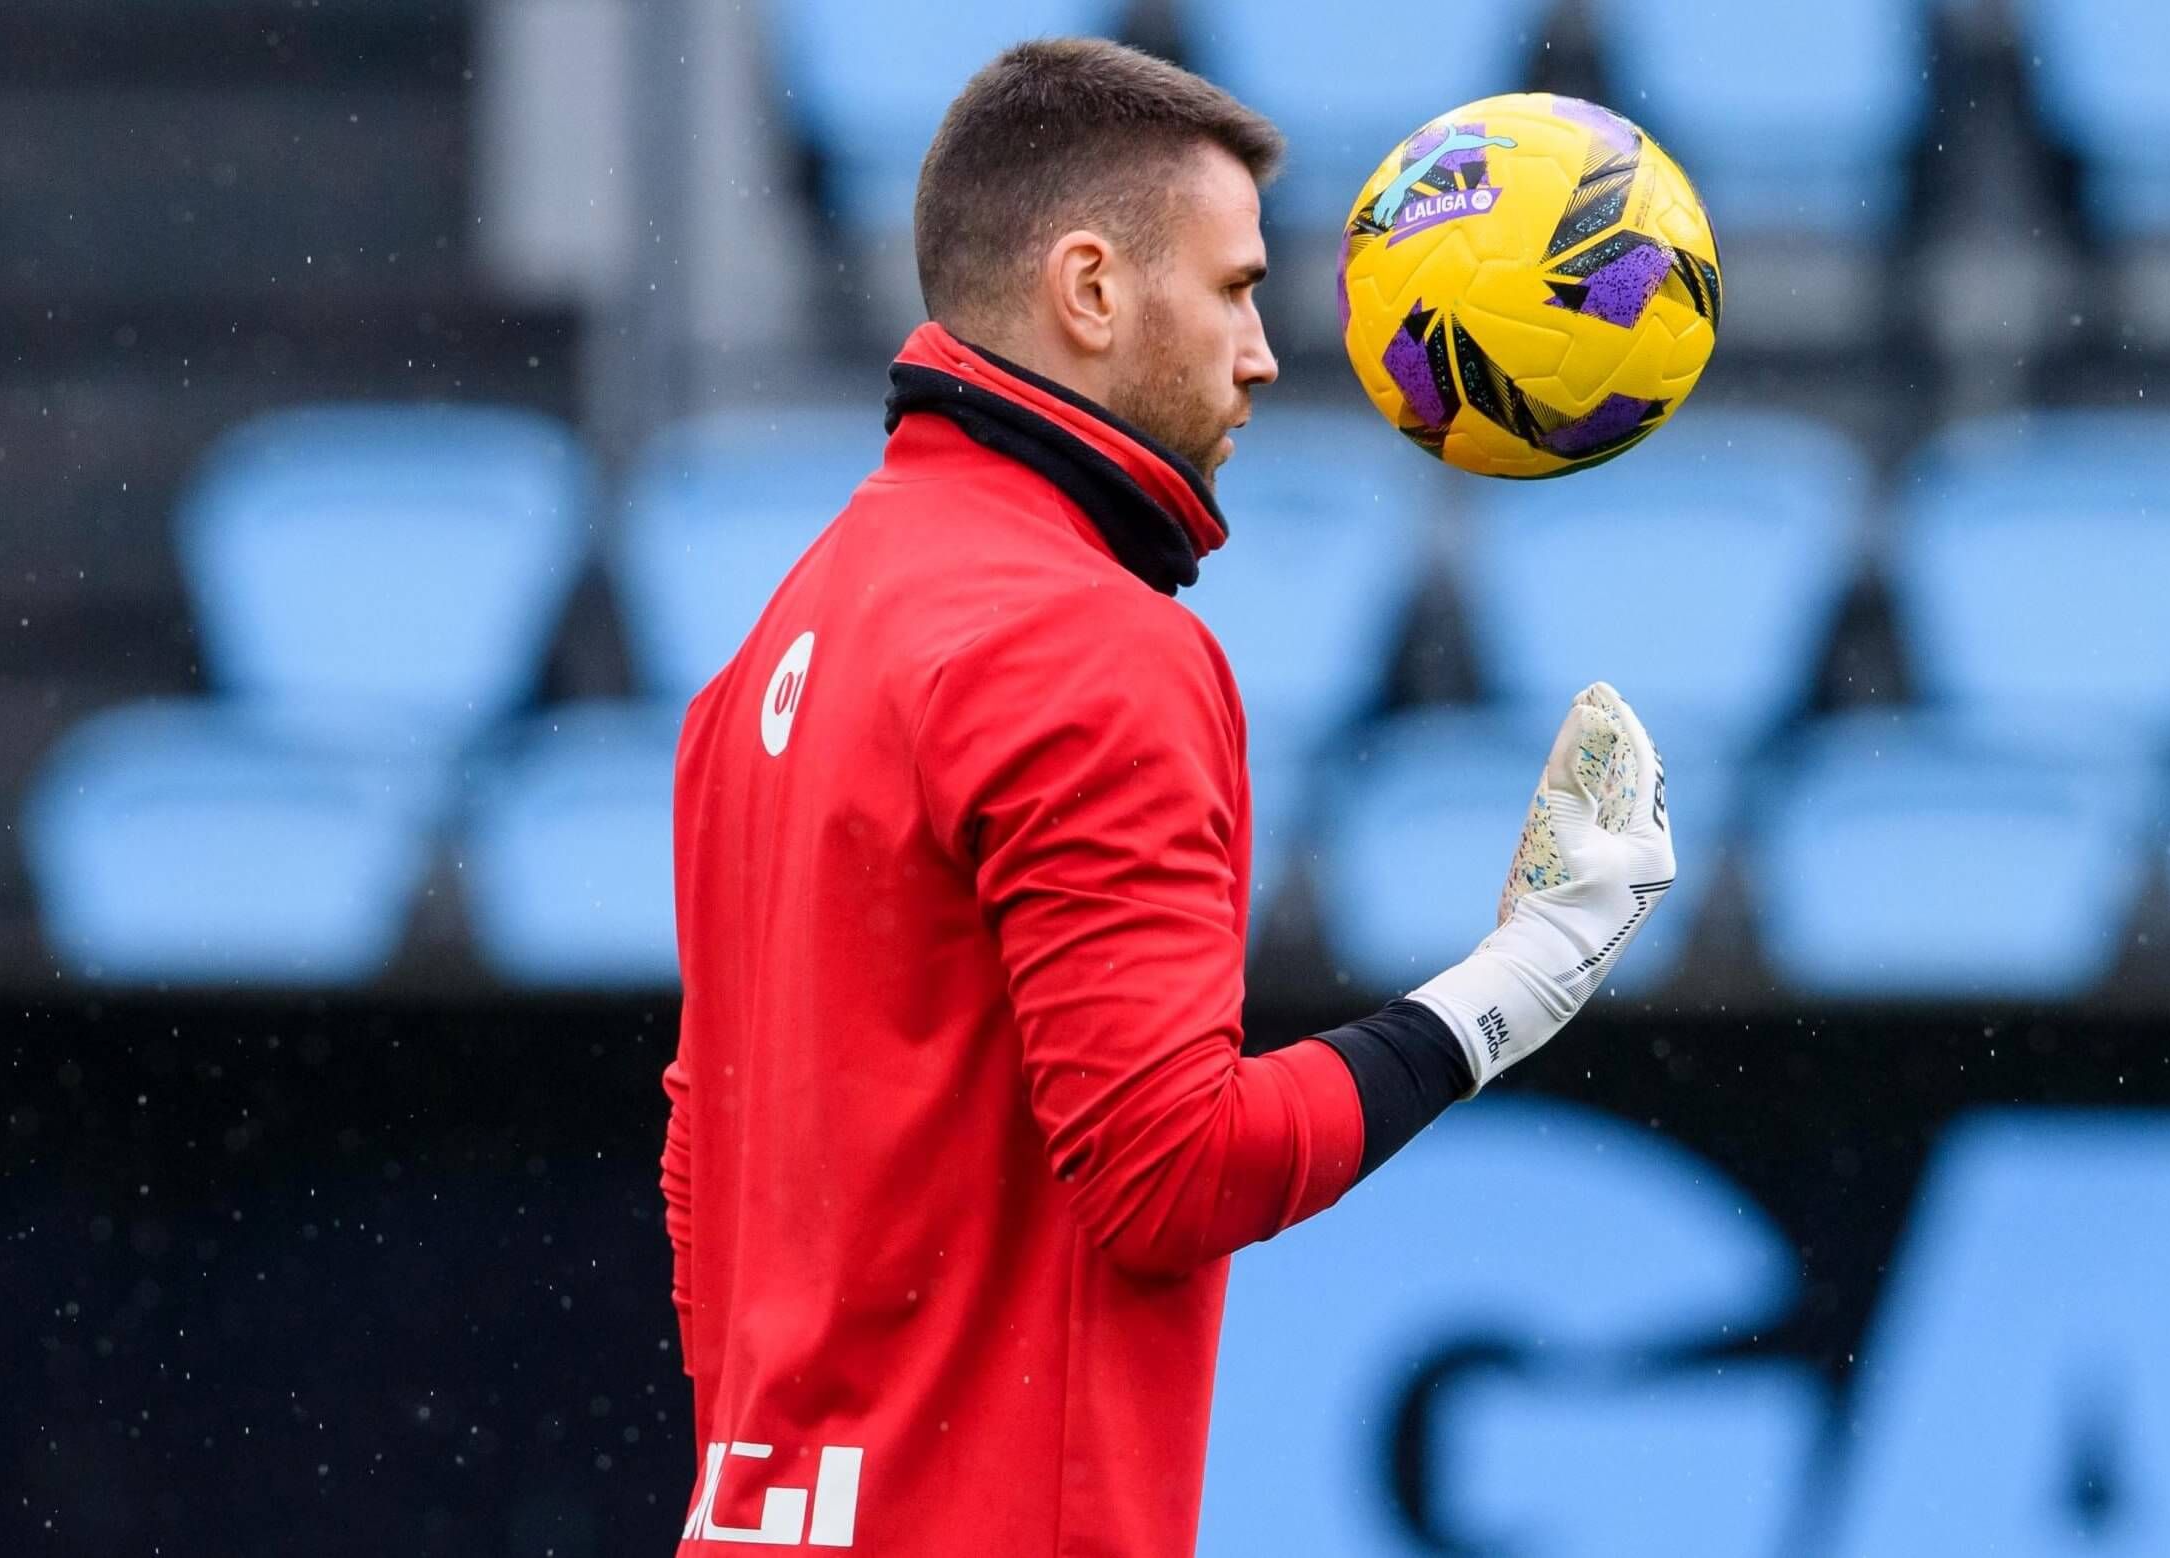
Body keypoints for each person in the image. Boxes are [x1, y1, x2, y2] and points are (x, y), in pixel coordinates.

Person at [658, 38, 1674, 1554]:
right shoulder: (1087, 643)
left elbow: (701, 1171)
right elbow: (1169, 1171)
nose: (1261, 354)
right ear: (1089, 289)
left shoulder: (776, 644)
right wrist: (1513, 985)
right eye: (1234, 289)